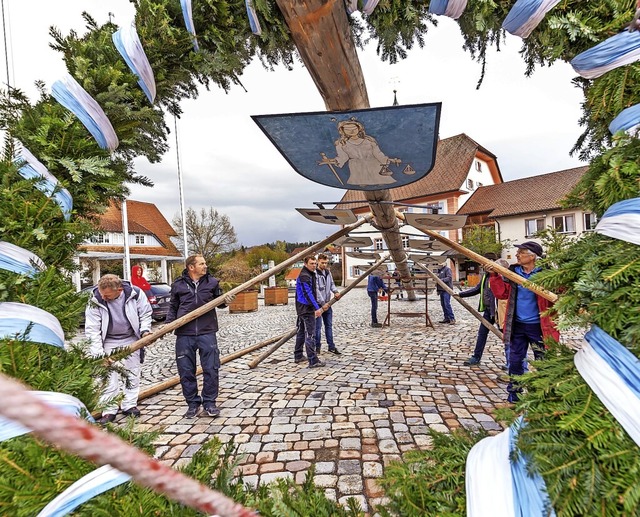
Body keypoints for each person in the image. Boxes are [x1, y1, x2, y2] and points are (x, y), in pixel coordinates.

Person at [485, 241, 560, 402]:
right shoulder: (513, 273)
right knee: (515, 361)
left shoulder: (546, 274)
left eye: (522, 252)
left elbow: (559, 295)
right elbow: (502, 294)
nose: (517, 254)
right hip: (517, 325)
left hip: (540, 327)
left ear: (533, 256)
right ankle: (515, 394)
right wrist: (494, 276)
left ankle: (542, 394)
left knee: (543, 361)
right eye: (518, 252)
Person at [165, 254, 234, 418]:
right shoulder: (178, 285)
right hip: (184, 333)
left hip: (207, 331)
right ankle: (193, 404)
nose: (205, 266)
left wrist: (226, 301)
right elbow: (173, 307)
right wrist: (168, 325)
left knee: (211, 368)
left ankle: (210, 403)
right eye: (202, 264)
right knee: (186, 371)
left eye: (205, 263)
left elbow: (220, 302)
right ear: (191, 267)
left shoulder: (212, 282)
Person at [85, 274, 152, 424]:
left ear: (119, 290)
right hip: (109, 340)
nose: (104, 298)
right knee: (108, 375)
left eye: (107, 296)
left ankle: (129, 405)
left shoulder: (135, 294)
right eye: (102, 295)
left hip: (131, 338)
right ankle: (109, 410)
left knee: (132, 372)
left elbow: (145, 313)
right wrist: (98, 355)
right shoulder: (95, 299)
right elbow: (92, 328)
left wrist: (145, 331)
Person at [319, 119, 401, 187]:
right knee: (362, 185)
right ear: (343, 131)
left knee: (381, 184)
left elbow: (378, 153)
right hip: (357, 167)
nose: (351, 131)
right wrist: (329, 161)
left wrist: (390, 160)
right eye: (347, 129)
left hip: (373, 165)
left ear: (359, 129)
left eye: (354, 128)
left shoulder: (369, 141)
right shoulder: (342, 144)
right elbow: (342, 158)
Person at [460, 261, 497, 366]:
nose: (482, 266)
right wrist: (460, 294)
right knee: (482, 333)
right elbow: (477, 289)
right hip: (488, 310)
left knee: (507, 336)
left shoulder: (501, 276)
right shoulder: (486, 276)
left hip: (499, 311)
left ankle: (512, 363)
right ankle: (476, 357)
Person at [294, 255, 325, 368]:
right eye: (312, 263)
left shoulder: (308, 274)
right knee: (310, 335)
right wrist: (316, 308)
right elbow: (308, 294)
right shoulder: (305, 275)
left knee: (301, 332)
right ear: (305, 264)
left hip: (301, 308)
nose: (314, 266)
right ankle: (313, 360)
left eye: (315, 263)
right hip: (306, 309)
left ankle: (298, 355)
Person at [315, 253, 342, 355]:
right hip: (318, 305)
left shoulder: (328, 272)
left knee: (329, 325)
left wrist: (336, 292)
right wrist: (322, 303)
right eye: (322, 263)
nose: (324, 265)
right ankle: (317, 347)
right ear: (318, 262)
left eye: (326, 263)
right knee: (317, 327)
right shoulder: (315, 274)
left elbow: (331, 284)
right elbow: (316, 290)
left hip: (328, 303)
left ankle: (331, 346)